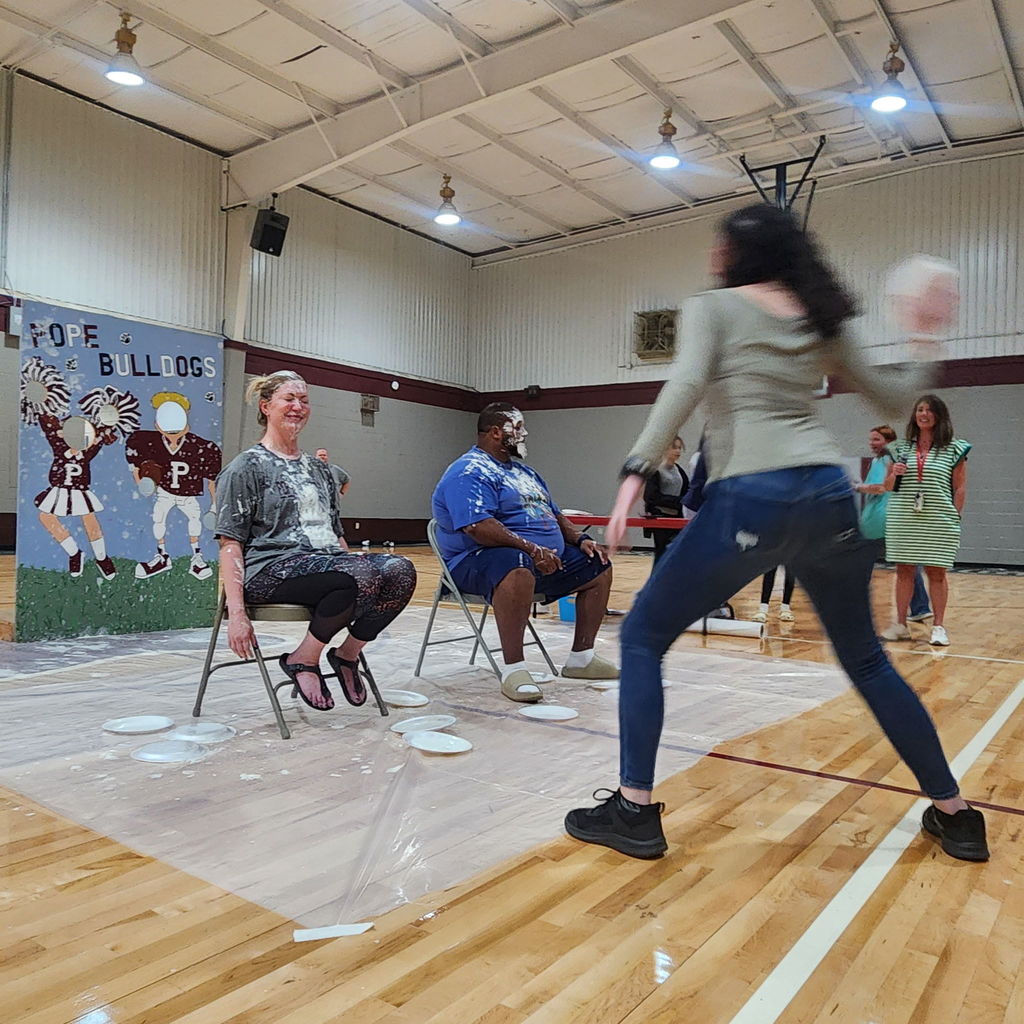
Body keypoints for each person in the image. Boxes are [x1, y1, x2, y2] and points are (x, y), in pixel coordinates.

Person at [563, 204, 986, 864]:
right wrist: (926, 340)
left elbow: (686, 381)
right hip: (826, 495)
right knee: (867, 659)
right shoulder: (819, 314)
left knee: (643, 635)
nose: (711, 257)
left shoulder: (714, 306)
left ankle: (634, 810)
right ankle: (956, 816)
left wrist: (634, 469)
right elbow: (896, 401)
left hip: (751, 498)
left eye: (718, 247)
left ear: (735, 254)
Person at [215, 371, 416, 710]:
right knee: (359, 576)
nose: (297, 407)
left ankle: (346, 655)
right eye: (288, 399)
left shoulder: (320, 470)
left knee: (400, 570)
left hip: (325, 564)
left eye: (304, 400)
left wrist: (362, 573)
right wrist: (237, 613)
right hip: (271, 571)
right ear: (266, 407)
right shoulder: (245, 468)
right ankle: (303, 660)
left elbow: (335, 533)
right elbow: (230, 543)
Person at [431, 403, 617, 703]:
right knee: (517, 563)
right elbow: (478, 527)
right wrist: (531, 549)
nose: (524, 434)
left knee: (598, 563)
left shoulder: (525, 473)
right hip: (474, 564)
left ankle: (581, 658)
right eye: (518, 429)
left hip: (535, 563)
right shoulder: (468, 471)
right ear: (495, 432)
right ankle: (514, 669)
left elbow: (554, 514)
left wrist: (580, 538)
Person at [878, 395, 970, 647]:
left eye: (929, 410)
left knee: (936, 572)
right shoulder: (900, 448)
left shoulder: (955, 448)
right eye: (920, 409)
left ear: (939, 415)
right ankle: (900, 624)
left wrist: (956, 515)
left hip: (938, 517)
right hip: (903, 516)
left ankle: (938, 627)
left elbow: (960, 487)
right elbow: (886, 487)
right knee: (904, 570)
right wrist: (893, 475)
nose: (923, 414)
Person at [126, 392, 222, 581]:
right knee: (159, 518)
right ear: (158, 428)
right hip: (165, 493)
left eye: (177, 433)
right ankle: (162, 556)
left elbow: (212, 480)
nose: (172, 438)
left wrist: (214, 506)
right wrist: (142, 483)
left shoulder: (200, 447)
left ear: (186, 428)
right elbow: (135, 464)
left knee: (194, 521)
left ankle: (197, 557)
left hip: (188, 495)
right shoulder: (147, 443)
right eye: (168, 433)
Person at [854, 425, 932, 624]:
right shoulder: (879, 460)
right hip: (880, 519)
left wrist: (857, 487)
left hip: (880, 520)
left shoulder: (888, 459)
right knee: (907, 564)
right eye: (871, 439)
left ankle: (854, 608)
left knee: (859, 565)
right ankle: (920, 607)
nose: (872, 443)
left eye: (877, 439)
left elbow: (880, 488)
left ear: (888, 441)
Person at [643, 436, 688, 565]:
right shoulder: (655, 469)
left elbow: (687, 491)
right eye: (674, 447)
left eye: (680, 448)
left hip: (677, 519)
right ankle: (655, 583)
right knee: (662, 554)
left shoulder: (679, 470)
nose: (678, 451)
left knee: (676, 555)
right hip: (660, 518)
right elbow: (651, 496)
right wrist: (678, 502)